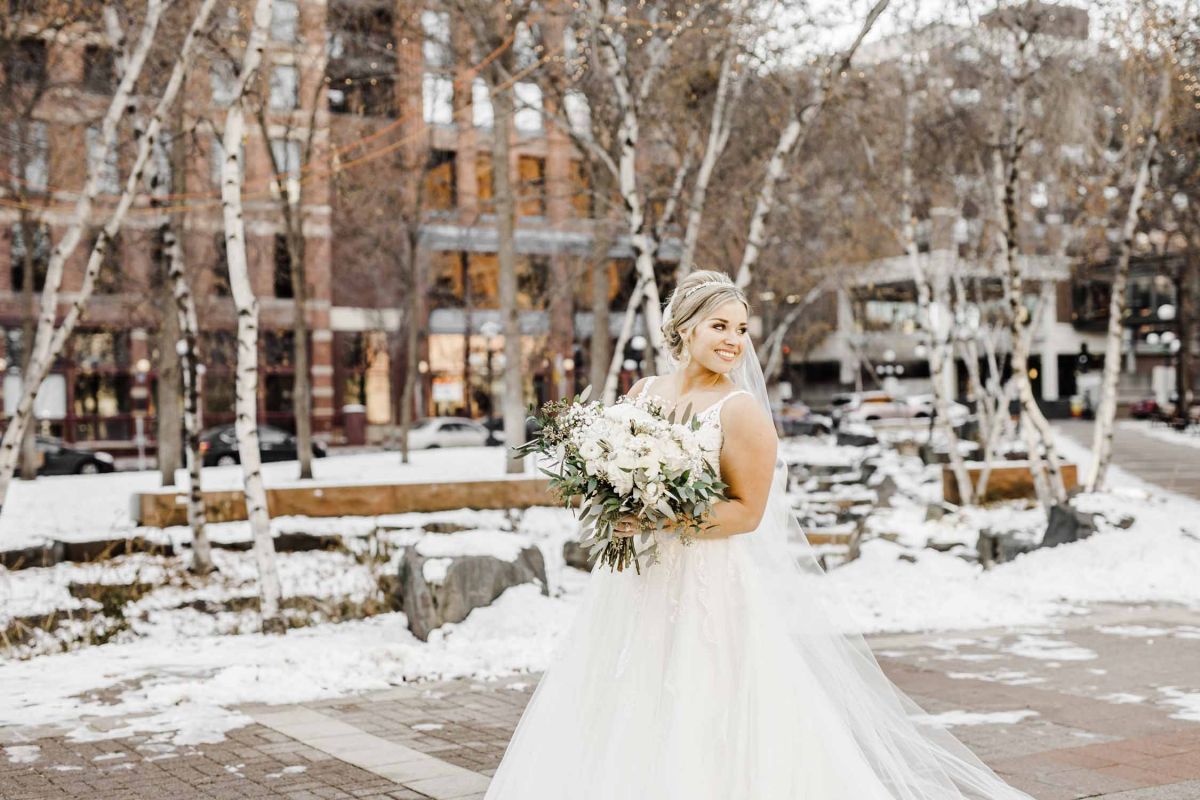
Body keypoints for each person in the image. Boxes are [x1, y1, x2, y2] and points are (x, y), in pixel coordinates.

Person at [483, 270, 1033, 800]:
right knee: (630, 695)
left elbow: (747, 514)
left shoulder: (740, 411)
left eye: (741, 329)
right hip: (640, 580)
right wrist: (607, 497)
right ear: (685, 328)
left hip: (708, 584)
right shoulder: (642, 394)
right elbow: (611, 475)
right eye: (719, 326)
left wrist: (659, 520)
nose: (733, 341)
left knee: (704, 704)